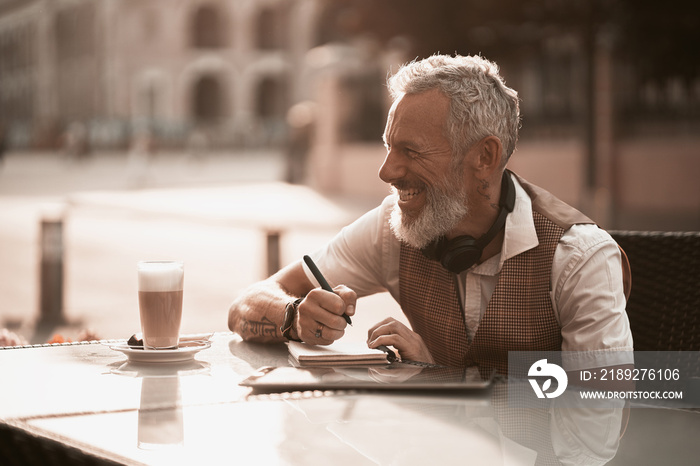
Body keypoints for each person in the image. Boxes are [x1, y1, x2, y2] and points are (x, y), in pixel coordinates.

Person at [228, 54, 632, 373]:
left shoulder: (581, 258)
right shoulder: (393, 228)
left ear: (484, 157)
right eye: (389, 147)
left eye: (411, 151)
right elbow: (244, 305)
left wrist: (446, 374)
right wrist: (292, 316)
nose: (386, 171)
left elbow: (602, 412)